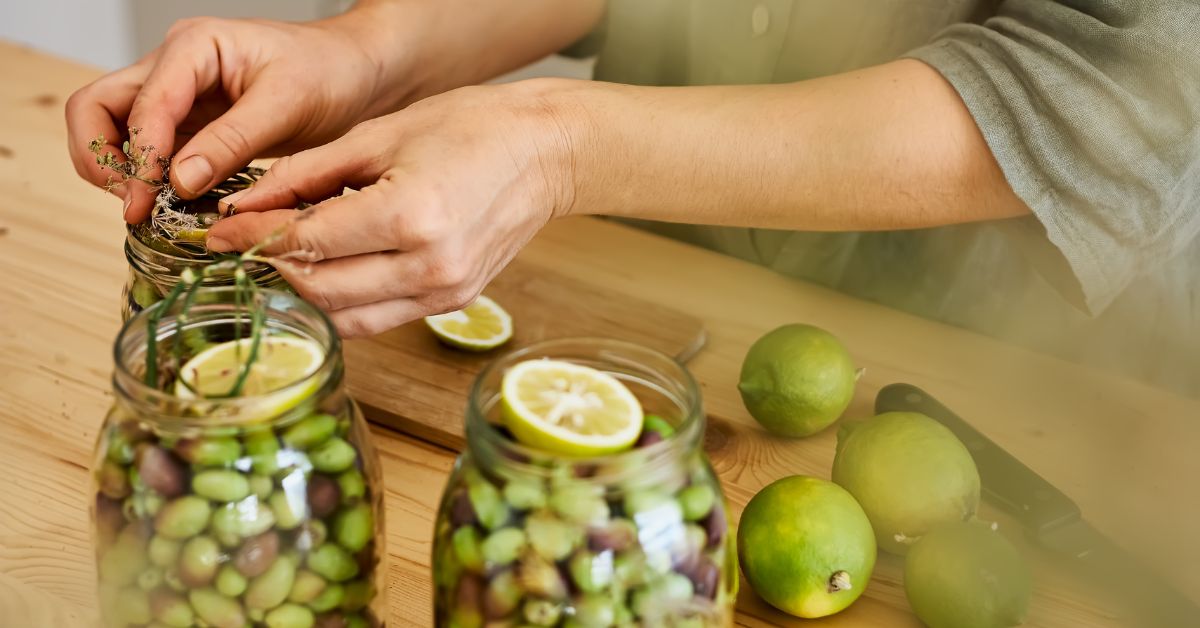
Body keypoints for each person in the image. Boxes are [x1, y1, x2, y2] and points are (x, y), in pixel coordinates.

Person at [66, 0, 1200, 394]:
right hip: (635, 302)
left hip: (1027, 387)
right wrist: (369, 48)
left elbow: (1099, 85)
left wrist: (555, 146)